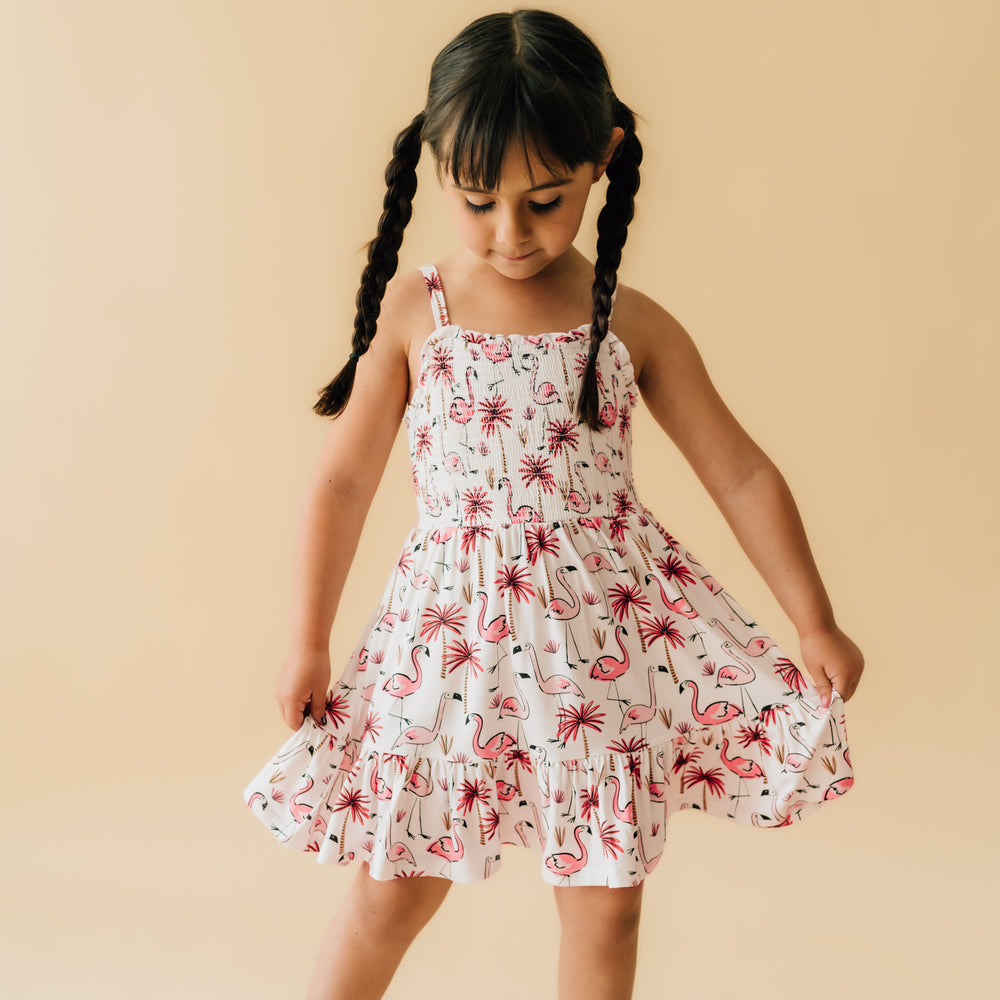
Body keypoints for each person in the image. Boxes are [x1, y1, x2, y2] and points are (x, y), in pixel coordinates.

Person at [243, 9, 864, 1000]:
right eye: (479, 200)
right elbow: (344, 480)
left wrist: (813, 617)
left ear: (602, 161)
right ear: (437, 160)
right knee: (394, 885)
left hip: (594, 651)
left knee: (607, 896)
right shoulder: (421, 314)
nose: (509, 234)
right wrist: (306, 639)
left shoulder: (634, 330)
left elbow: (739, 471)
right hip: (449, 645)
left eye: (543, 200)